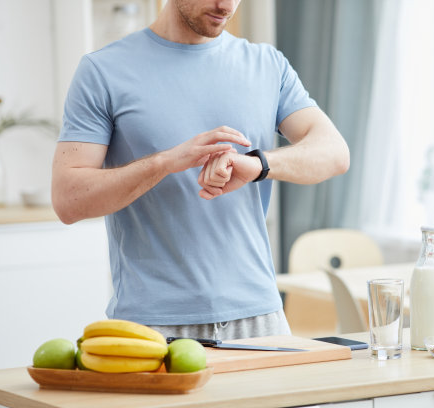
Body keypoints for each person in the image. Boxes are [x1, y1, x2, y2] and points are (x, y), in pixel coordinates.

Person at [51, 0, 349, 340]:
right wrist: (166, 162)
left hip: (261, 318)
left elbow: (334, 153)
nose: (226, 5)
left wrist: (259, 164)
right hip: (152, 325)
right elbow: (68, 199)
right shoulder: (103, 71)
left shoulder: (267, 65)